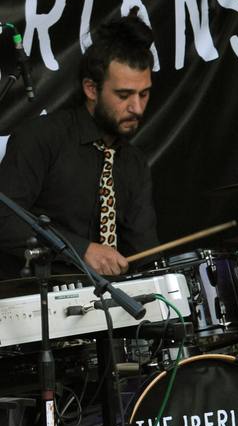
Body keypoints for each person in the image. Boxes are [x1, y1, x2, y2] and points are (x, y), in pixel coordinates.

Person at [0, 14, 158, 280]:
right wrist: (80, 250)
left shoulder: (133, 163)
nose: (137, 108)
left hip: (108, 306)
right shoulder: (41, 137)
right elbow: (3, 219)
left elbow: (144, 252)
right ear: (91, 89)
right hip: (36, 300)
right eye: (123, 95)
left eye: (144, 94)